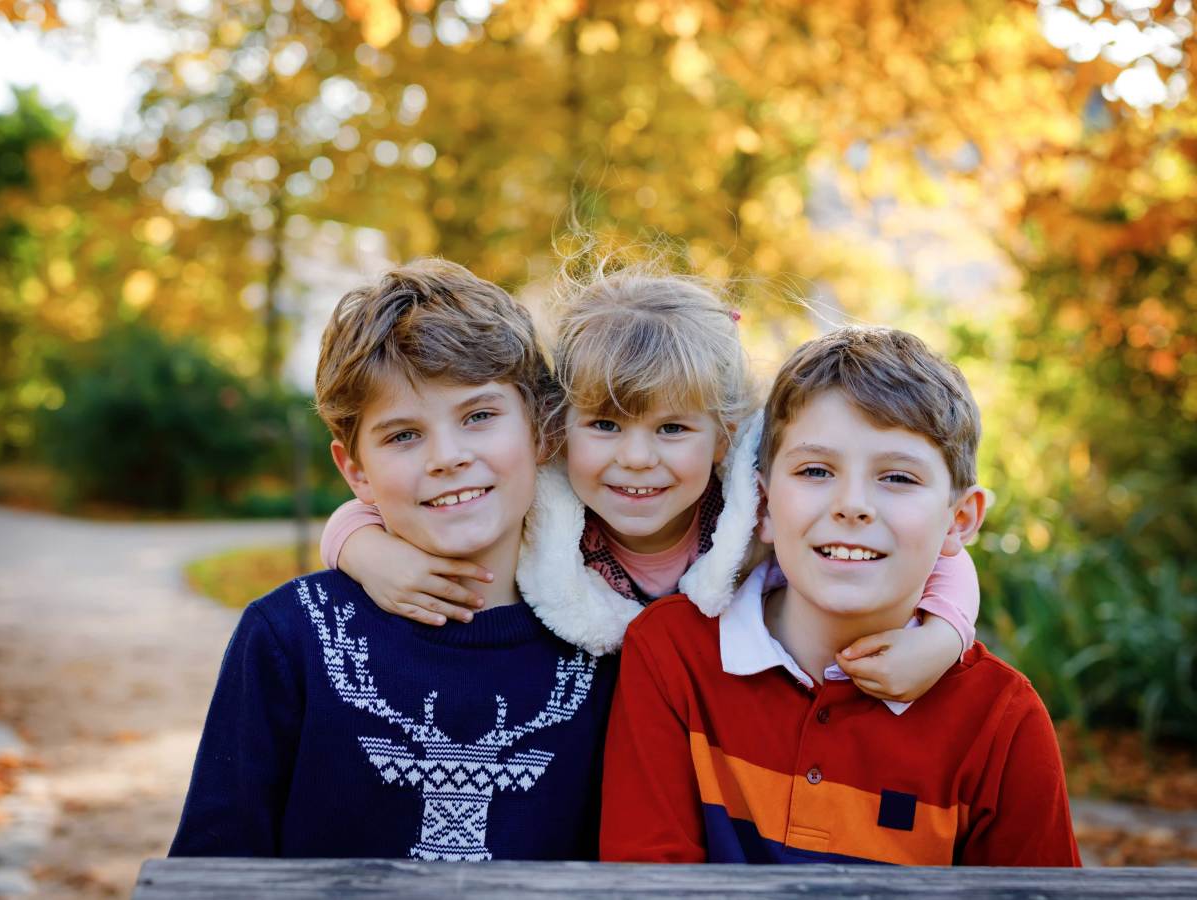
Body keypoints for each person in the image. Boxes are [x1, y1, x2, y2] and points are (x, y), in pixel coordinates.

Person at [319, 262, 980, 702]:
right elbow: (367, 509)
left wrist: (944, 636)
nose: (637, 459)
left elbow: (939, 549)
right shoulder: (544, 505)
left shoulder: (753, 512)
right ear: (557, 429)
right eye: (605, 426)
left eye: (671, 430)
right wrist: (365, 552)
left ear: (723, 436)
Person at [170, 260, 616, 860]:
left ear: (540, 430)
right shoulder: (288, 638)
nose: (448, 456)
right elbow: (213, 864)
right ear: (355, 471)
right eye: (404, 435)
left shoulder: (607, 642)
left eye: (479, 416)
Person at [600, 326, 1080, 866]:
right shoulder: (673, 654)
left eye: (897, 477)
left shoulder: (1002, 721)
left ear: (959, 520)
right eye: (816, 471)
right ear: (761, 504)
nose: (853, 505)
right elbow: (644, 878)